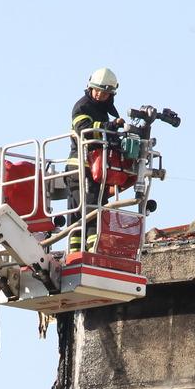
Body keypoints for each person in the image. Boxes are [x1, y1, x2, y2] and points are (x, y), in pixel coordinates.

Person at [66, 67, 124, 251]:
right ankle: (91, 249)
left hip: (95, 169)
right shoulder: (82, 106)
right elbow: (85, 130)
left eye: (105, 92)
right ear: (90, 88)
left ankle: (85, 248)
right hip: (80, 168)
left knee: (91, 207)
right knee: (88, 209)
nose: (100, 95)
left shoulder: (101, 111)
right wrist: (110, 126)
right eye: (97, 90)